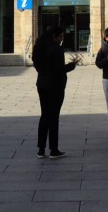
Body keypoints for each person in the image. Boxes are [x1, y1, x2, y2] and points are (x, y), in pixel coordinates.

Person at [32, 25, 79, 159]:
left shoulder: (40, 48)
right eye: (60, 37)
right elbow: (59, 69)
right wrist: (72, 65)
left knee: (44, 116)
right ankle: (53, 149)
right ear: (55, 37)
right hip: (55, 86)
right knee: (54, 117)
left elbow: (39, 66)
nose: (61, 39)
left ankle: (41, 149)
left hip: (42, 84)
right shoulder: (56, 49)